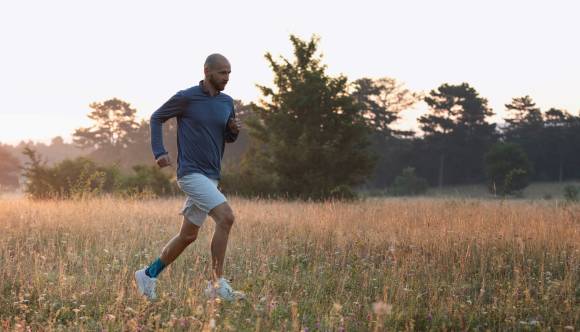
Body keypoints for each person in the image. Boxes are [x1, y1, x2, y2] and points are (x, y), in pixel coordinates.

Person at [135, 53, 243, 301]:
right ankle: (217, 284)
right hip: (191, 173)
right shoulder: (187, 97)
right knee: (226, 218)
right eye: (222, 73)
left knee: (188, 235)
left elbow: (226, 137)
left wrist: (233, 132)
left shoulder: (227, 102)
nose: (227, 78)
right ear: (207, 72)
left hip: (212, 175)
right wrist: (159, 151)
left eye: (229, 73)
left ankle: (148, 274)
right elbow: (156, 117)